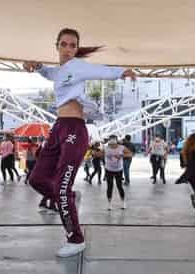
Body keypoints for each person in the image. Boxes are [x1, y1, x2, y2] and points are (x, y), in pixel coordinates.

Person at [23, 27, 136, 257]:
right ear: (57, 46)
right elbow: (49, 73)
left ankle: (76, 239)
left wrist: (122, 72)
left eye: (72, 45)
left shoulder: (77, 66)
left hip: (75, 130)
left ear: (76, 49)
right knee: (36, 179)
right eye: (63, 44)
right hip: (58, 128)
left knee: (62, 188)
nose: (68, 49)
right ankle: (68, 198)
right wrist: (35, 67)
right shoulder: (60, 71)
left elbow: (99, 71)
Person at [104, 135, 131, 210]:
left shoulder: (121, 147)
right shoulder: (105, 148)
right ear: (109, 140)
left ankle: (123, 202)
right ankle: (109, 204)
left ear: (116, 140)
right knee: (109, 186)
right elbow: (99, 154)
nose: (112, 142)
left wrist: (121, 155)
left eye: (113, 140)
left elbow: (130, 154)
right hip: (108, 169)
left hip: (118, 170)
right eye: (111, 140)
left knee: (119, 186)